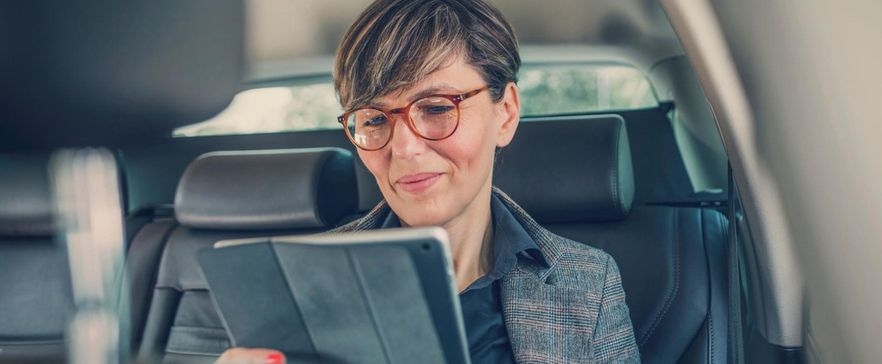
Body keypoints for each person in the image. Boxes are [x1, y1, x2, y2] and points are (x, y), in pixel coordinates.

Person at [217, 0, 639, 363]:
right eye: (375, 119)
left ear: (506, 112)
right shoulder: (299, 281)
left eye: (436, 108)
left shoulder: (588, 283)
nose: (404, 148)